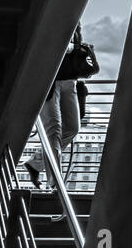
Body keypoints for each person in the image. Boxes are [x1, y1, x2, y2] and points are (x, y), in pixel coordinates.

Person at [23, 25, 86, 189]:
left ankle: (35, 163)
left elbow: (76, 48)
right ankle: (55, 181)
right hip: (49, 81)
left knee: (73, 127)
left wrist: (76, 48)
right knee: (54, 128)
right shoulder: (55, 16)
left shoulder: (75, 23)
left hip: (69, 81)